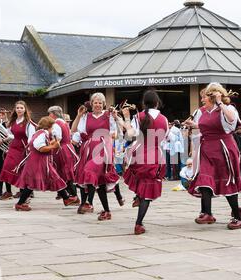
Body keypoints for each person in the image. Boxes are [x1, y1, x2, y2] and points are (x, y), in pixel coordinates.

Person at [186, 83, 241, 230]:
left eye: (205, 96)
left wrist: (220, 102)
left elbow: (232, 121)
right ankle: (207, 213)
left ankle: (237, 217)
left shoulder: (227, 109)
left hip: (223, 148)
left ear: (213, 97)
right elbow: (206, 127)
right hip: (207, 148)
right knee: (204, 179)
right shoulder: (203, 111)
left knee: (227, 181)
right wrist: (194, 125)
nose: (202, 99)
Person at [117, 90, 169, 235]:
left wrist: (126, 119)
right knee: (148, 191)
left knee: (141, 182)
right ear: (157, 103)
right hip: (155, 155)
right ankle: (138, 223)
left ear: (144, 103)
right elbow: (164, 138)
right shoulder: (164, 119)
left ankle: (138, 197)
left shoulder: (138, 117)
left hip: (138, 154)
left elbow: (130, 135)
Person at [71, 92, 121, 221]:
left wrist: (115, 119)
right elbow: (74, 130)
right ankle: (106, 211)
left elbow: (114, 134)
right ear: (91, 104)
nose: (98, 105)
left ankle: (88, 202)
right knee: (101, 182)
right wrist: (78, 115)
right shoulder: (85, 116)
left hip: (103, 148)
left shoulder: (108, 115)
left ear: (103, 104)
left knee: (89, 170)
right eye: (95, 102)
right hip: (88, 149)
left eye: (100, 102)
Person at [14, 117, 76, 211]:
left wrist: (52, 143)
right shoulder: (42, 134)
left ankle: (66, 198)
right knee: (32, 183)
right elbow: (40, 148)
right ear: (49, 126)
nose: (53, 129)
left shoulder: (41, 133)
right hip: (38, 162)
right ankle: (20, 203)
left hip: (40, 161)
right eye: (52, 127)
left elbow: (40, 144)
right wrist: (53, 146)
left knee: (54, 178)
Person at [0, 101, 36, 199]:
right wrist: (3, 139)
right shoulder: (13, 121)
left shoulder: (28, 122)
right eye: (17, 108)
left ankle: (23, 191)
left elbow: (31, 137)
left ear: (25, 110)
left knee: (21, 170)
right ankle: (8, 192)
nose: (19, 109)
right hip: (13, 147)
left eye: (21, 108)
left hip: (23, 148)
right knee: (7, 166)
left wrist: (29, 150)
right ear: (15, 109)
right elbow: (10, 134)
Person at [48, 106, 80, 205]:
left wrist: (47, 144)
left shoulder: (56, 124)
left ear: (53, 114)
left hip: (62, 150)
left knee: (66, 173)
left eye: (49, 114)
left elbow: (58, 138)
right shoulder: (63, 122)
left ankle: (73, 196)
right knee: (67, 173)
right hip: (68, 148)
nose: (49, 116)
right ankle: (71, 195)